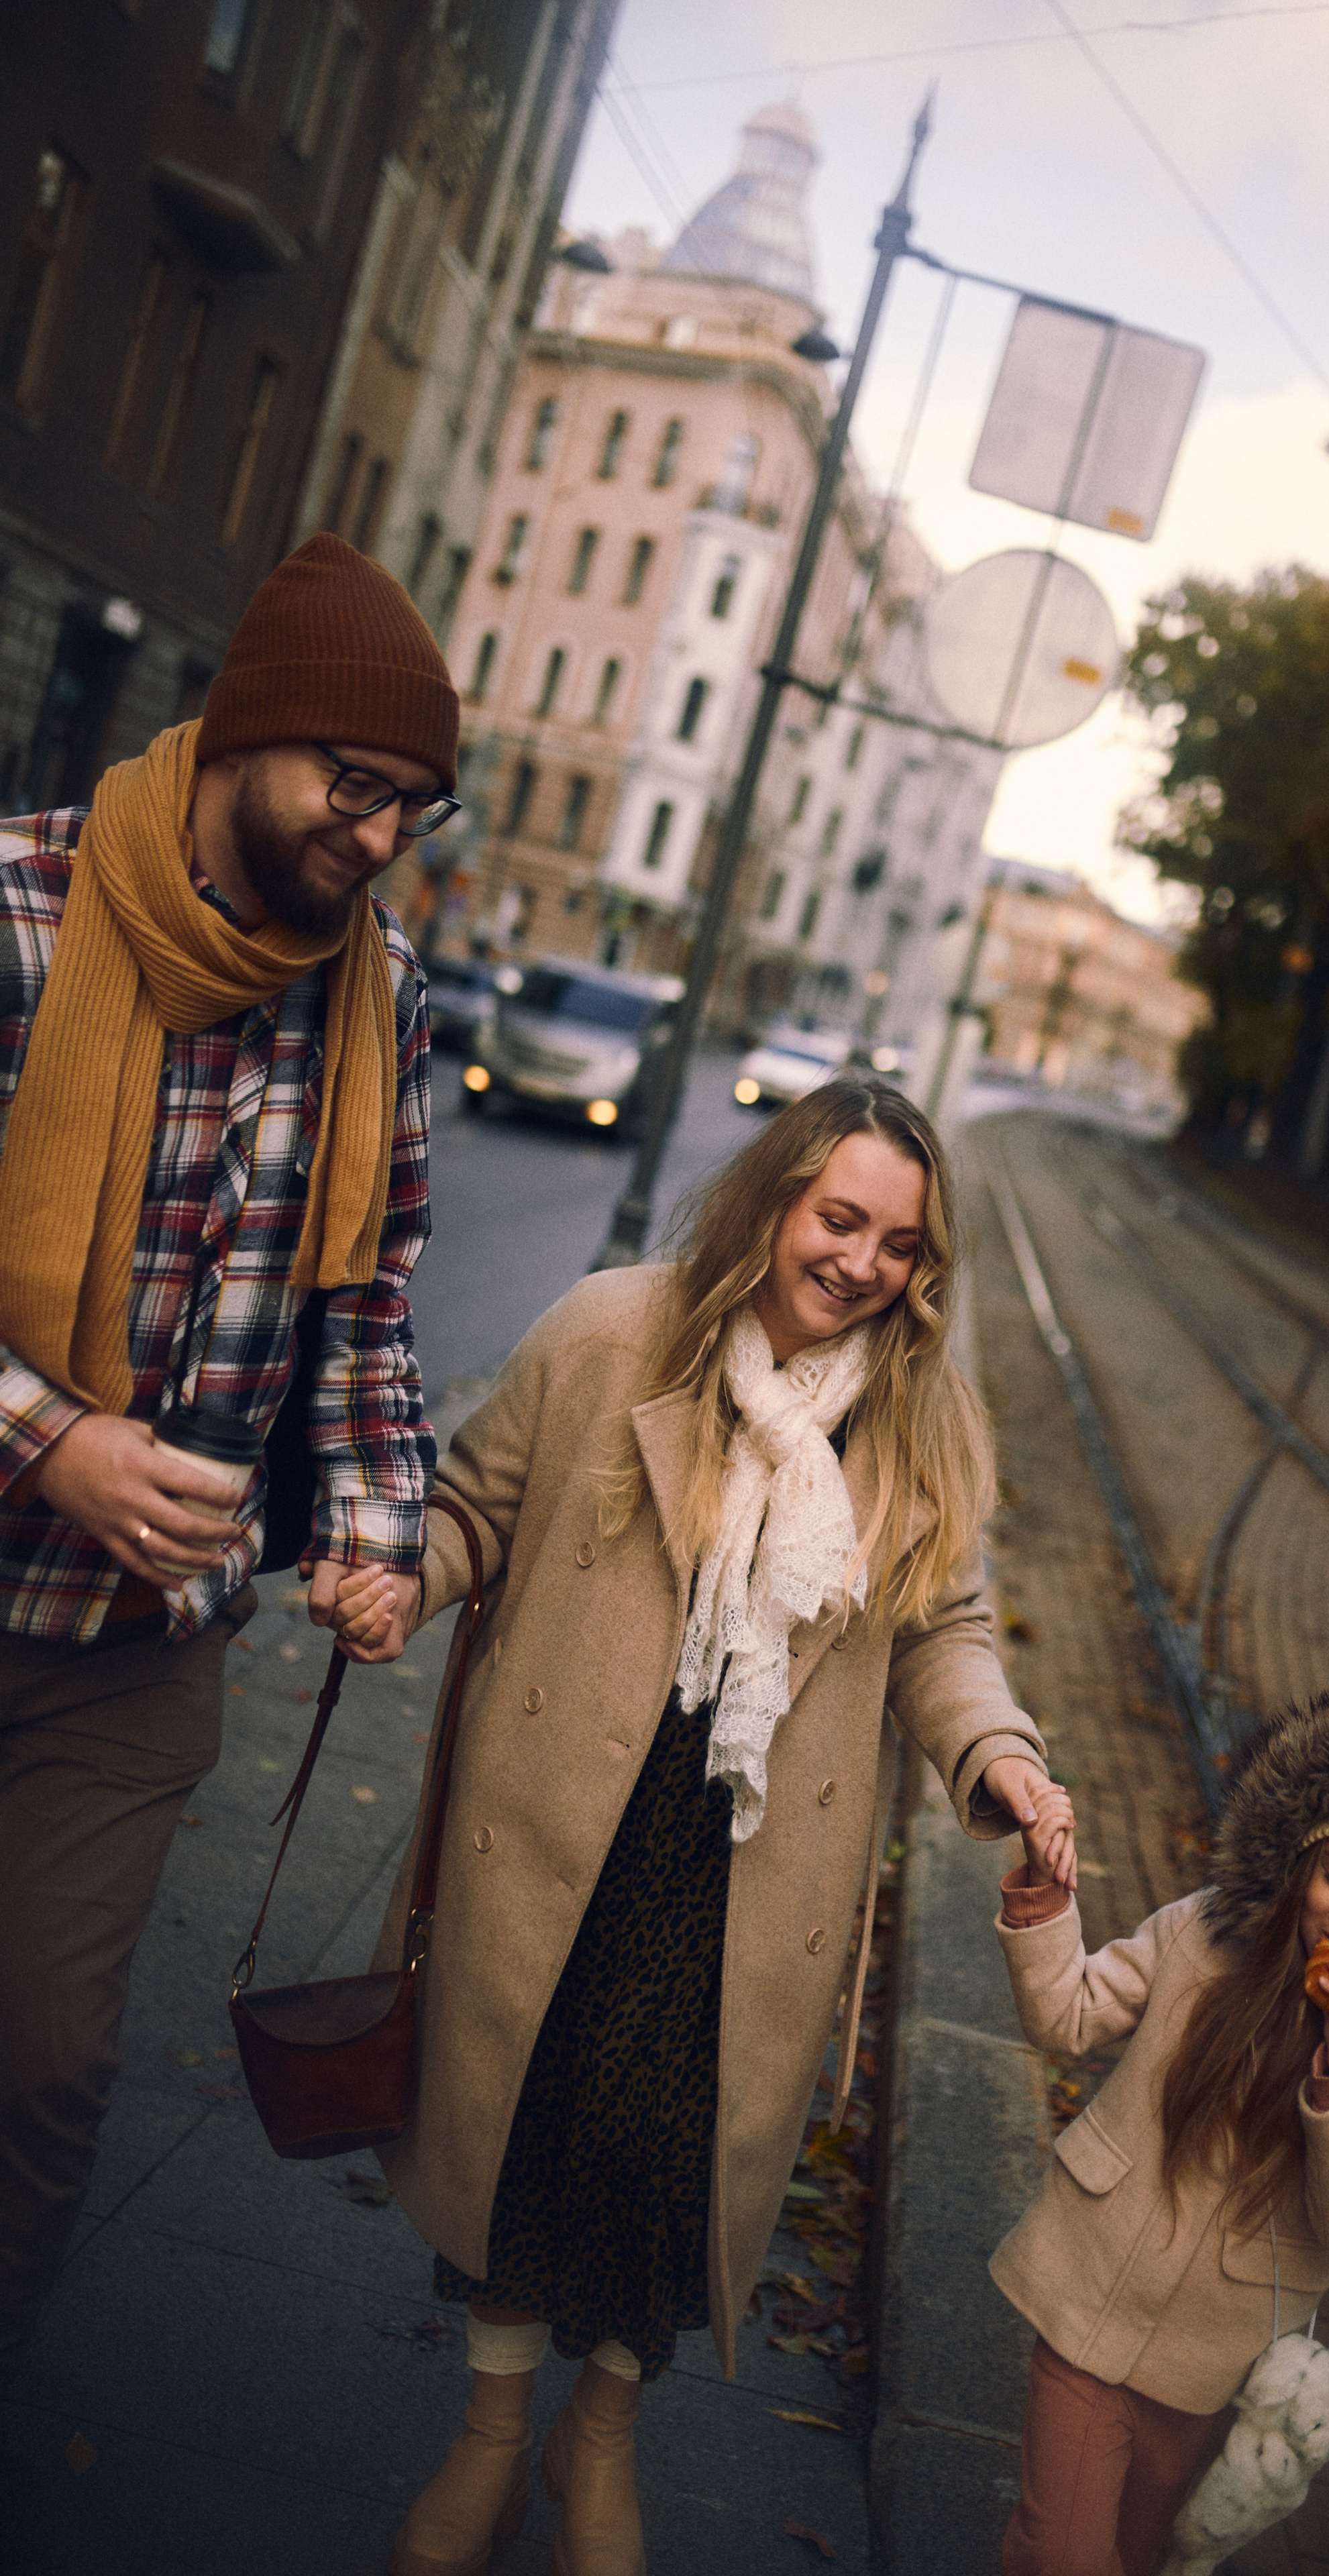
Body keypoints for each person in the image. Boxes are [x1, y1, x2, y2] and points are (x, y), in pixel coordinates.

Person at [330, 1076, 1071, 2576]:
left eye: (900, 1244)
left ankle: (597, 2437)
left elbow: (944, 1629)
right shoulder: (613, 1332)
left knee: (668, 2164)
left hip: (747, 1857)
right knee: (526, 2123)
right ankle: (490, 2439)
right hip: (559, 1816)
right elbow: (476, 1505)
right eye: (839, 1219)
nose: (861, 1263)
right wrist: (407, 1580)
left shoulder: (922, 1421)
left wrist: (997, 1754)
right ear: (776, 1201)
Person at [0, 533, 456, 2389]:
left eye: (414, 805)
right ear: (248, 731)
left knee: (46, 2068)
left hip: (130, 1649)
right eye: (354, 786)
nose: (380, 835)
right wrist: (53, 1444)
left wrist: (376, 1530)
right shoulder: (20, 909)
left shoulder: (379, 991)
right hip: (33, 1518)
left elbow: (367, 1303)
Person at [988, 1684, 1329, 2576]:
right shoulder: (1200, 1937)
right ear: (1299, 1867)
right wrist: (1045, 1895)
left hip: (1211, 2364)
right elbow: (1068, 2015)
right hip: (1090, 2296)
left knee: (1138, 2555)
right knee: (1060, 2552)